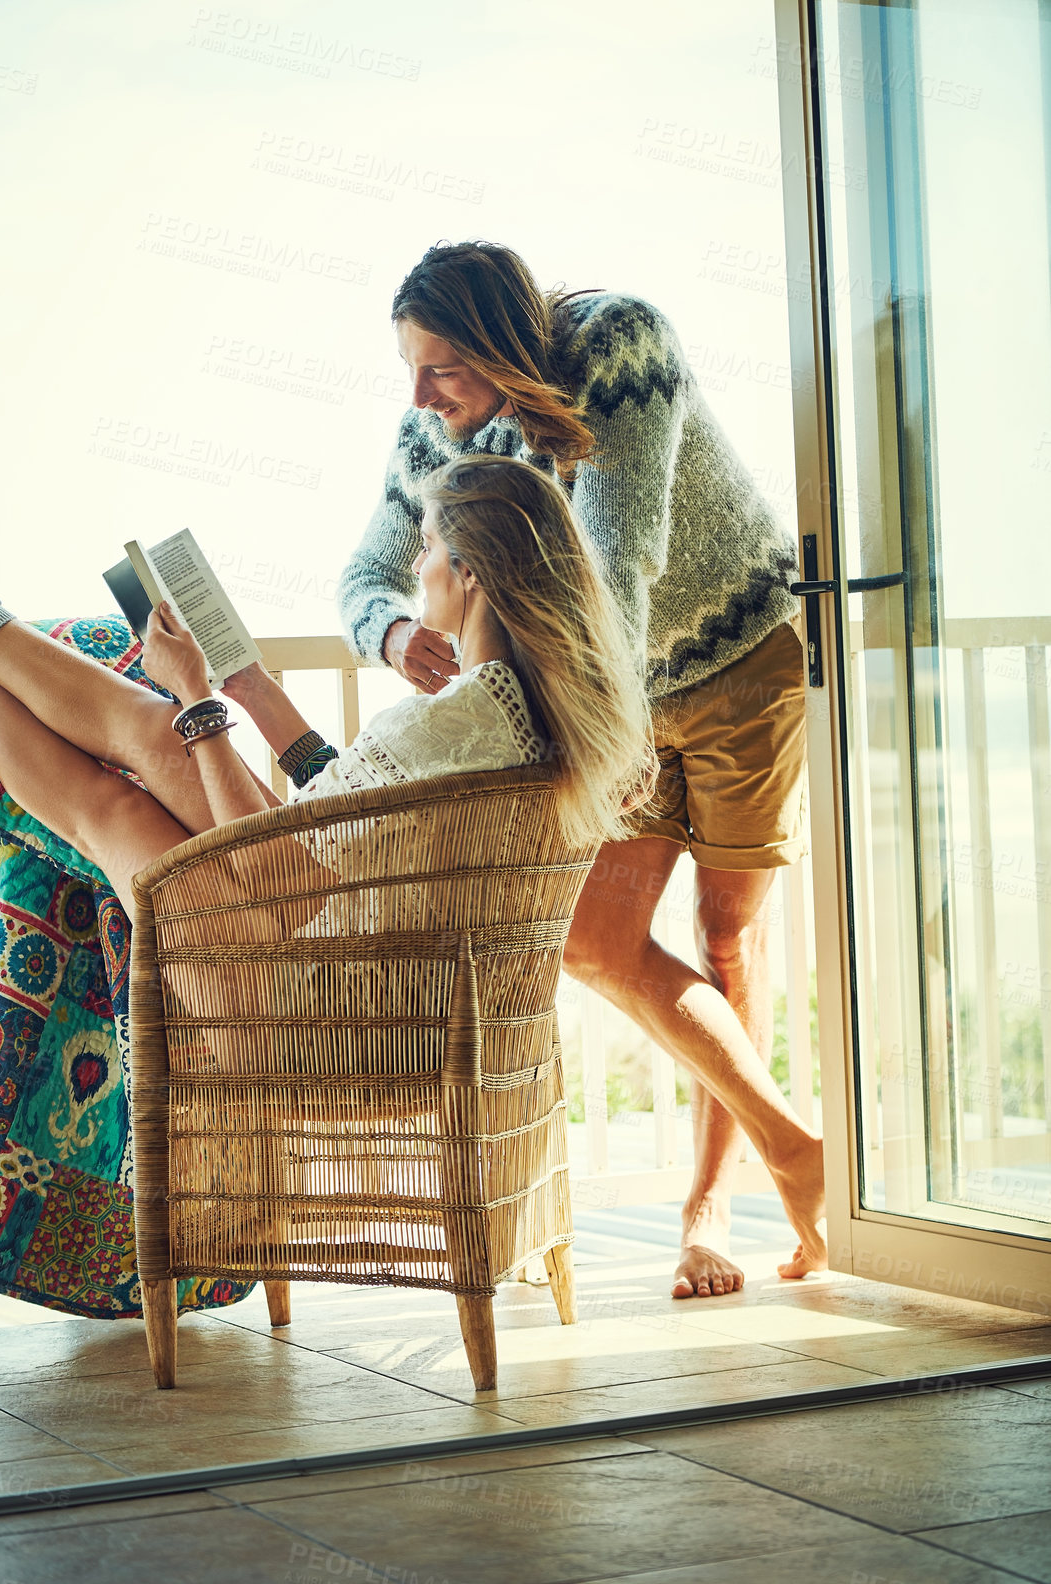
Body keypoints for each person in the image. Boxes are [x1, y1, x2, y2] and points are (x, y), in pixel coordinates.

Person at [338, 240, 825, 1294]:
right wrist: (388, 632)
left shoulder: (616, 339)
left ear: (503, 342)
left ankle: (710, 1211)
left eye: (442, 368)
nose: (422, 398)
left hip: (740, 663)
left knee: (726, 937)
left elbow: (619, 559)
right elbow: (367, 569)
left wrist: (590, 731)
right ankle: (795, 1148)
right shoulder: (434, 429)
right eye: (410, 371)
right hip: (620, 700)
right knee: (595, 941)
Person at [0, 449, 653, 929]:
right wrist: (257, 696)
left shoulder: (449, 720)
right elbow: (352, 807)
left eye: (431, 546)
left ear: (470, 572)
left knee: (113, 805)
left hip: (294, 995)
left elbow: (275, 873)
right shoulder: (525, 713)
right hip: (375, 960)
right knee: (153, 746)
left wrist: (201, 703)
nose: (416, 566)